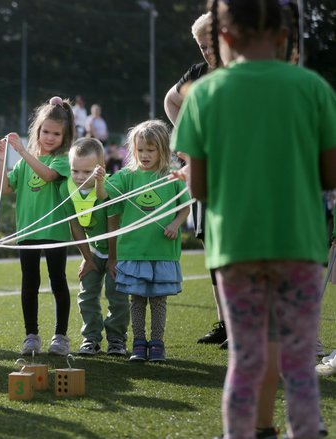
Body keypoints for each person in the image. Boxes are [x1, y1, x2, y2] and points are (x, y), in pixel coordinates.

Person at [171, 0, 336, 436]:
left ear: (223, 38)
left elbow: (199, 189)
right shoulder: (312, 87)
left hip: (236, 247)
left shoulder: (203, 93)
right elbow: (330, 173)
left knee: (245, 360)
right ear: (284, 36)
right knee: (298, 358)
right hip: (299, 244)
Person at [0, 96, 75, 356]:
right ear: (37, 131)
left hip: (54, 232)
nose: (50, 137)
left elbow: (48, 175)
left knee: (58, 281)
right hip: (27, 232)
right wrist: (0, 160)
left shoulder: (62, 160)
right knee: (29, 283)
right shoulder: (23, 162)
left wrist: (23, 152)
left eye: (56, 133)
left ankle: (60, 336)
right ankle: (31, 336)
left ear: (65, 136)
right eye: (45, 131)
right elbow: (4, 188)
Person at [163, 12, 226, 347]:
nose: (205, 52)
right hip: (206, 175)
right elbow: (171, 100)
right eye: (200, 46)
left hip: (235, 178)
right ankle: (224, 323)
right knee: (211, 245)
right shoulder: (198, 74)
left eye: (210, 44)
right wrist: (187, 147)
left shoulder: (240, 75)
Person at [107, 119, 191, 363]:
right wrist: (97, 178)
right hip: (134, 250)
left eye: (150, 150)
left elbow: (185, 207)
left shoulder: (172, 176)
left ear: (162, 150)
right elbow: (105, 195)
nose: (144, 155)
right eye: (140, 150)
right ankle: (138, 343)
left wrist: (175, 224)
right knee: (137, 300)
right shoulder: (126, 176)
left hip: (162, 251)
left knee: (158, 301)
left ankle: (157, 343)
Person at [60, 137, 130, 356]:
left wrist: (112, 258)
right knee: (86, 294)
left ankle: (117, 339)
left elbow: (114, 226)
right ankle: (90, 338)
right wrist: (87, 257)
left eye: (87, 172)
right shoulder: (66, 188)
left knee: (116, 295)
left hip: (116, 251)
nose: (80, 177)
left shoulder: (110, 187)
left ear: (100, 168)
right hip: (92, 251)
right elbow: (75, 226)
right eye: (75, 171)